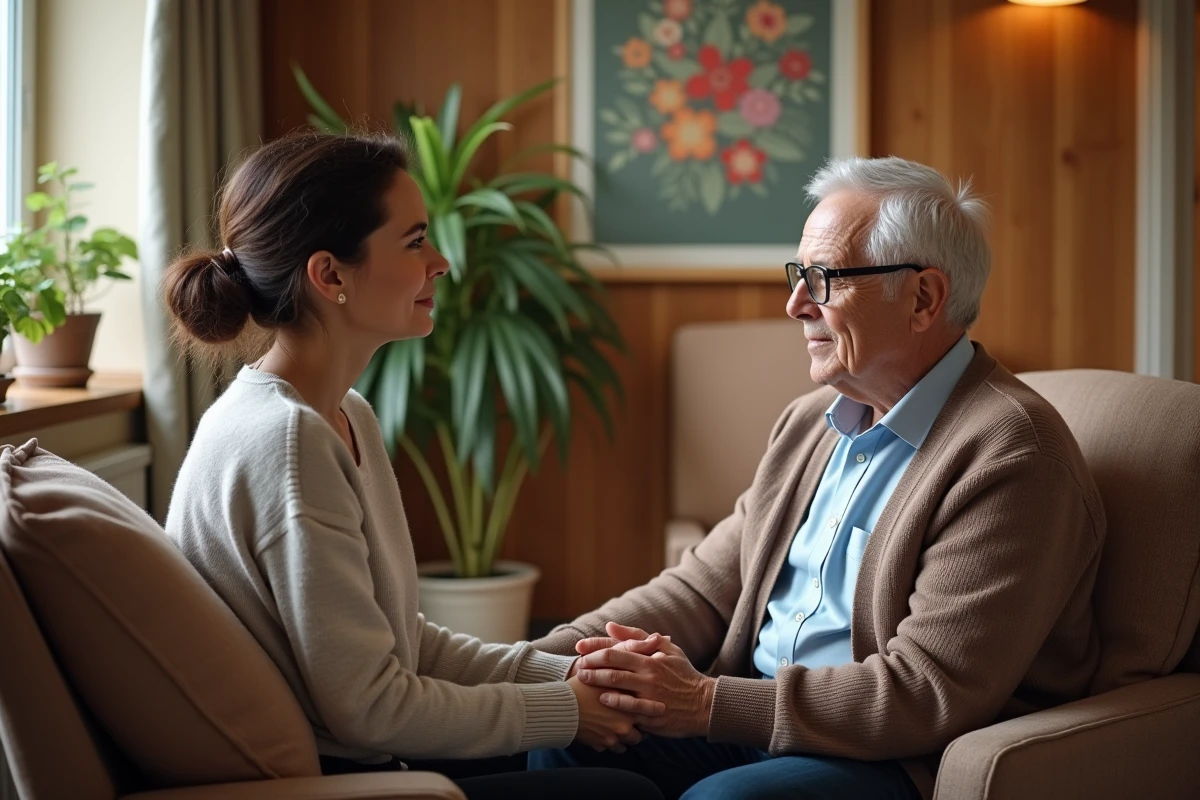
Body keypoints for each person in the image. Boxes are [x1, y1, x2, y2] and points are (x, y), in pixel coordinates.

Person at [530, 156, 1106, 800]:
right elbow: (702, 590)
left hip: (900, 752)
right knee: (564, 732)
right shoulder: (810, 424)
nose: (795, 303)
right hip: (752, 707)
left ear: (923, 298)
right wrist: (545, 660)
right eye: (798, 275)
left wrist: (703, 702)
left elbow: (924, 691)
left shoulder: (1011, 455)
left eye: (824, 278)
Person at [162, 131, 664, 800]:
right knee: (623, 792)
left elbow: (403, 643)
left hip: (361, 757)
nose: (442, 262)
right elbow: (371, 707)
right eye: (415, 241)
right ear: (330, 275)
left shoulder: (342, 416)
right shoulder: (288, 443)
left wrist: (567, 670)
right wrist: (569, 710)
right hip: (336, 781)